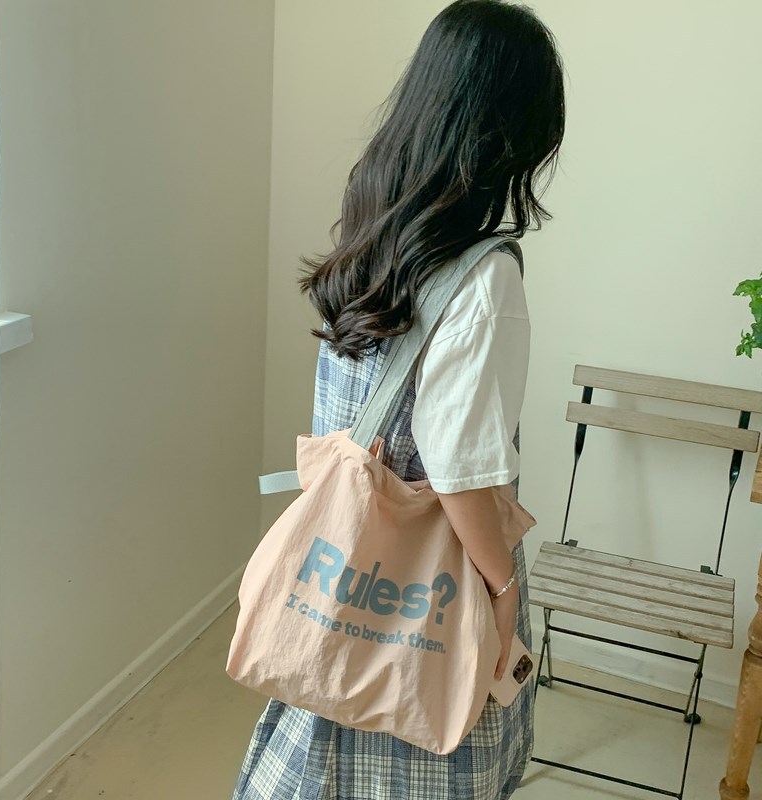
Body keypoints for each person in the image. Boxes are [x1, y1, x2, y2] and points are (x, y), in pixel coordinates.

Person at [233, 1, 565, 798]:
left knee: (332, 714)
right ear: (517, 131)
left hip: (348, 561)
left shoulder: (373, 228)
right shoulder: (486, 277)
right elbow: (458, 472)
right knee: (433, 732)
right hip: (429, 584)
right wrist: (503, 589)